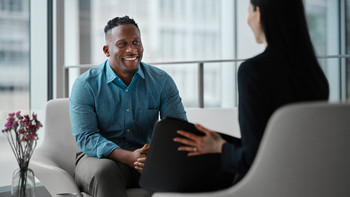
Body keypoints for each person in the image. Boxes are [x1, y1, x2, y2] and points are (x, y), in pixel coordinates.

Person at [174, 0, 329, 188]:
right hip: (313, 183)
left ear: (259, 14)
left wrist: (219, 147)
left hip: (267, 185)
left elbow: (253, 158)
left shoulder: (253, 72)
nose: (248, 20)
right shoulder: (316, 77)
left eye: (248, 12)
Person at [69, 16, 187, 197]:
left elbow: (178, 129)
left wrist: (156, 155)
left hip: (145, 157)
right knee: (104, 173)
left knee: (184, 171)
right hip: (99, 159)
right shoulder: (86, 85)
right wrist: (128, 157)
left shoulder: (162, 81)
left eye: (136, 42)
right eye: (122, 44)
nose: (132, 49)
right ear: (107, 50)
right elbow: (86, 137)